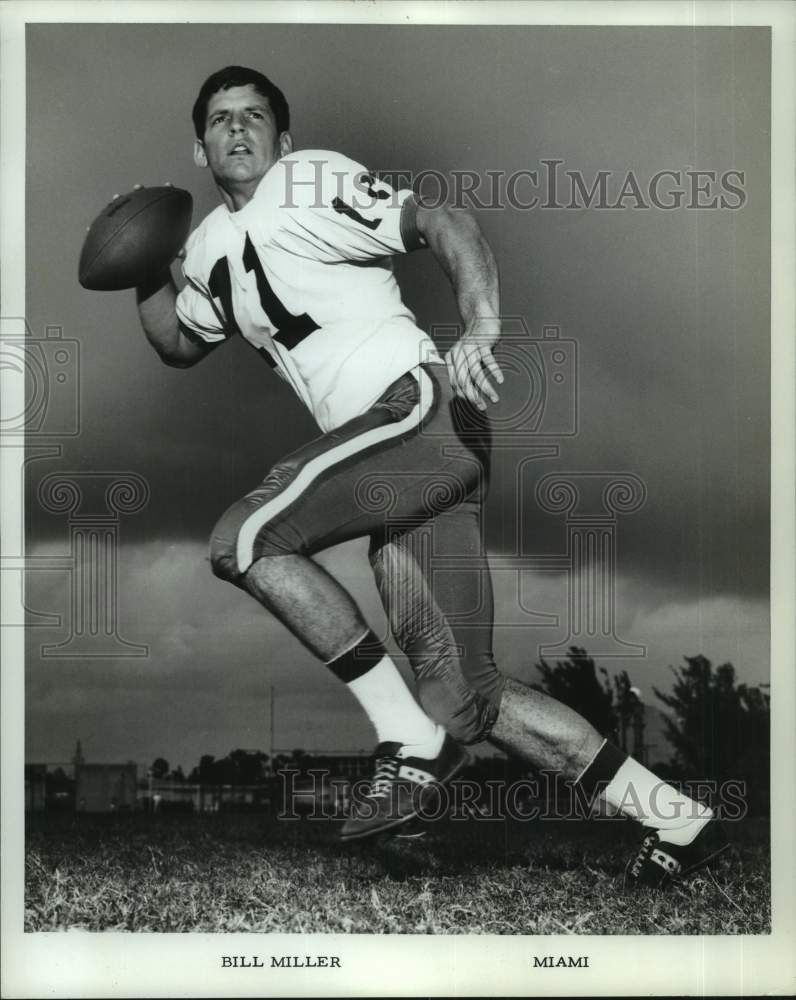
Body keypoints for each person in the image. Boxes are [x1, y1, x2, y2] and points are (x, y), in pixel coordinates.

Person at [134, 66, 727, 889]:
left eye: (257, 116)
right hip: (401, 467)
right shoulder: (202, 251)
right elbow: (177, 341)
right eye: (222, 120)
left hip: (417, 412)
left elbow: (442, 220)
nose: (240, 129)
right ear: (199, 149)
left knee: (243, 538)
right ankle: (675, 816)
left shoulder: (311, 179)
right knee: (467, 699)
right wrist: (137, 264)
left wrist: (481, 322)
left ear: (286, 139)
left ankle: (403, 740)